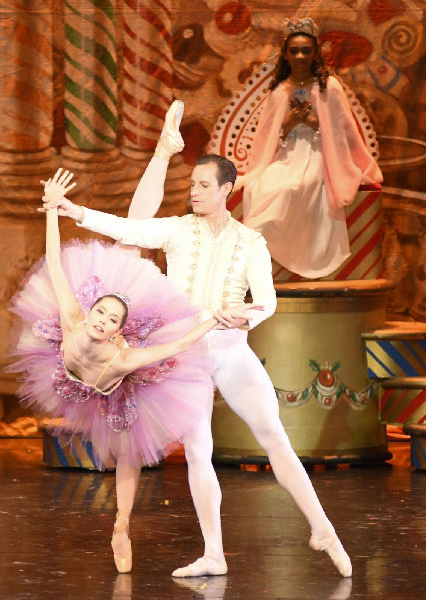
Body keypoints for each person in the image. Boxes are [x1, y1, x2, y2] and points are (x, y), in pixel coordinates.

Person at [41, 119, 352, 579]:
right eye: (192, 184)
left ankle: (323, 528)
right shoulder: (176, 230)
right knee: (197, 451)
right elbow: (127, 227)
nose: (195, 192)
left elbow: (267, 301)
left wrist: (246, 313)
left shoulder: (251, 243)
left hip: (231, 350)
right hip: (184, 359)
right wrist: (73, 211)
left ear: (226, 189)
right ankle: (213, 553)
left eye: (204, 185)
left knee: (275, 438)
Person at [8, 108, 258, 574]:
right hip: (75, 370)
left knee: (128, 455)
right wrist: (51, 211)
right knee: (126, 242)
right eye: (100, 313)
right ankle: (163, 152)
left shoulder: (124, 356)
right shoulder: (74, 318)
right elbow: (54, 262)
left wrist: (212, 320)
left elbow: (170, 349)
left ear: (120, 329)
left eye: (108, 317)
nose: (100, 320)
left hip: (114, 378)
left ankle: (121, 525)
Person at [237, 17, 383, 279]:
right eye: (294, 51)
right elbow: (267, 136)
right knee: (263, 186)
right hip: (287, 155)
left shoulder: (330, 87)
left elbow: (343, 134)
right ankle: (255, 259)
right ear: (285, 54)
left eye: (306, 50)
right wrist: (290, 122)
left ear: (316, 52)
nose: (301, 56)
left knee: (295, 187)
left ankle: (289, 255)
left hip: (321, 156)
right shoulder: (280, 90)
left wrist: (316, 124)